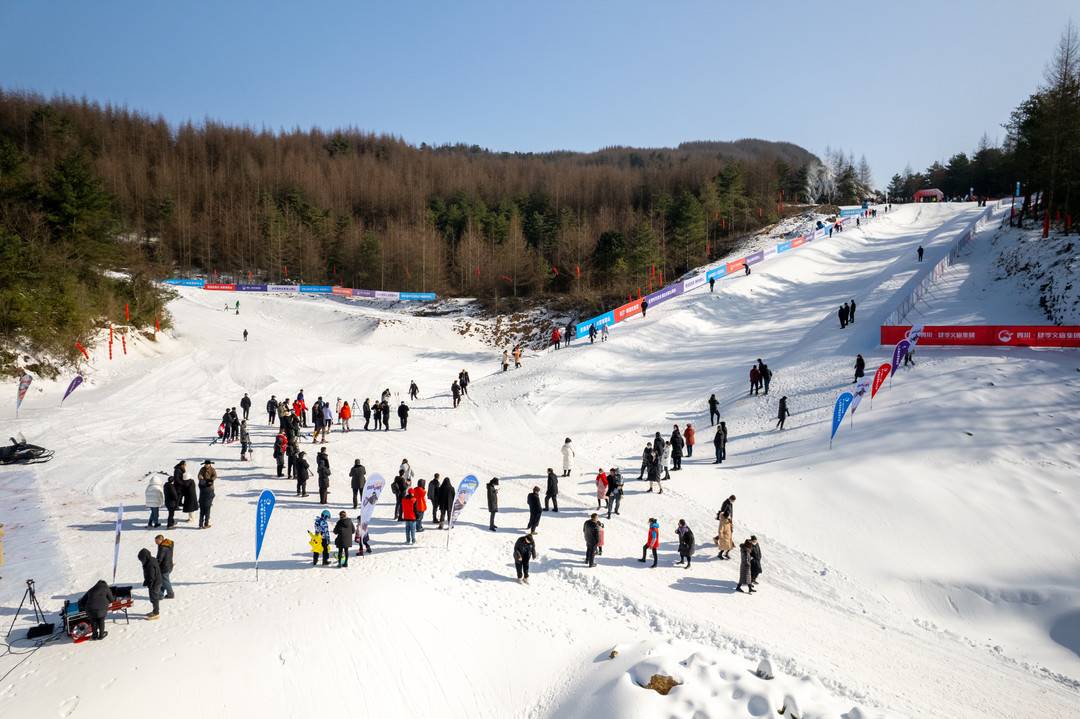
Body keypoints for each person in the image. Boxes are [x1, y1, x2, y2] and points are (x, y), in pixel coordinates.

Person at [137, 547, 162, 619]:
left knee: (154, 598)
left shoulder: (150, 564)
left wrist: (149, 584)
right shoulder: (151, 559)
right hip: (156, 581)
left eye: (142, 559)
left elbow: (151, 577)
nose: (141, 561)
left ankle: (156, 613)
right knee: (154, 597)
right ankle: (155, 611)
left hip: (155, 583)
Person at [155, 534, 175, 599]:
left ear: (160, 540)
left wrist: (154, 564)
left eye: (156, 541)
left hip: (164, 567)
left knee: (165, 581)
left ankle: (170, 594)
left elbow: (160, 559)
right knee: (162, 580)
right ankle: (160, 595)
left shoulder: (162, 547)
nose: (155, 542)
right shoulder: (167, 545)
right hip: (169, 566)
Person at [197, 460, 216, 529]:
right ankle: (205, 524)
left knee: (202, 512)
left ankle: (201, 524)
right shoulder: (202, 469)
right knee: (206, 513)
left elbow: (215, 475)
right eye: (205, 464)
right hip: (205, 485)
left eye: (207, 464)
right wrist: (200, 477)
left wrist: (211, 479)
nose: (206, 465)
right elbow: (199, 475)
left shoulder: (212, 469)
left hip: (209, 484)